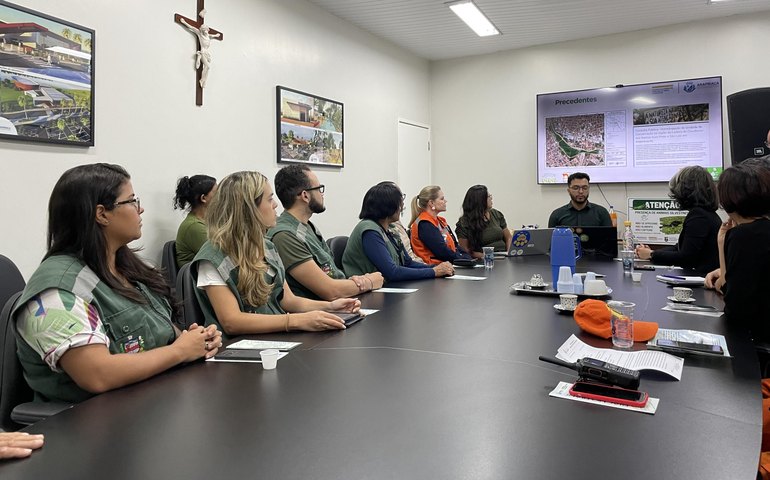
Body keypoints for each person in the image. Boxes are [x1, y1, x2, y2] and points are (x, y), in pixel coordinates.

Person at [14, 164, 222, 404]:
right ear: (102, 214)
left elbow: (164, 333)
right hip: (91, 424)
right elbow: (97, 374)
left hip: (155, 401)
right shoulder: (57, 291)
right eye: (132, 201)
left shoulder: (126, 269)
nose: (140, 209)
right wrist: (179, 351)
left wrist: (196, 340)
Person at [191, 171, 360, 337]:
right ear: (249, 209)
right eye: (270, 199)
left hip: (274, 339)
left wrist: (330, 307)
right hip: (238, 349)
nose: (275, 205)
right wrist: (295, 321)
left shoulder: (267, 247)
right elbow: (232, 322)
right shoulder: (212, 257)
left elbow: (288, 300)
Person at [267, 164, 383, 300]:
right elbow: (330, 290)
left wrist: (356, 282)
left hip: (338, 304)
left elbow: (333, 276)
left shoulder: (308, 228)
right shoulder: (285, 236)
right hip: (317, 312)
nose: (322, 194)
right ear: (305, 195)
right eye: (319, 189)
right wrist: (368, 281)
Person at [342, 182, 454, 281]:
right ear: (388, 206)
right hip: (366, 293)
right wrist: (434, 272)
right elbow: (392, 272)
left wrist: (437, 267)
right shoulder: (370, 231)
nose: (402, 207)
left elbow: (407, 263)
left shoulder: (391, 229)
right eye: (400, 203)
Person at [635, 166, 721, 275]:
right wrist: (651, 252)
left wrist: (651, 254)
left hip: (700, 280)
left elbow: (685, 257)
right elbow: (680, 247)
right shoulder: (706, 214)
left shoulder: (699, 216)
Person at [408, 185, 471, 264]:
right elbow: (441, 251)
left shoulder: (440, 221)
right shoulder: (424, 224)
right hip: (433, 268)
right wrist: (462, 259)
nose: (445, 201)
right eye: (442, 199)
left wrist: (466, 257)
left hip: (447, 264)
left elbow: (455, 245)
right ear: (431, 203)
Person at [455, 185, 512, 259]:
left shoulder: (496, 214)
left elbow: (508, 238)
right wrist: (486, 256)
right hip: (485, 259)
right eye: (488, 197)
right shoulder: (464, 223)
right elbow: (465, 250)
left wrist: (510, 253)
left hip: (503, 256)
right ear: (480, 201)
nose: (491, 198)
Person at [174, 174, 217, 267]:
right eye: (216, 193)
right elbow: (218, 257)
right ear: (203, 198)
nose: (220, 197)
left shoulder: (206, 223)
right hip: (197, 279)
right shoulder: (194, 227)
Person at [178, 9, 222, 88]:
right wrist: (184, 22)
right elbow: (191, 27)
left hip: (207, 53)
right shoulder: (199, 33)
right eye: (204, 30)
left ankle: (203, 80)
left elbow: (212, 36)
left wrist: (216, 35)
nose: (205, 31)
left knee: (207, 68)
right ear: (201, 30)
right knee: (208, 66)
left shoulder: (208, 35)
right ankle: (202, 80)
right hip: (202, 52)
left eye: (206, 30)